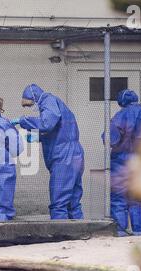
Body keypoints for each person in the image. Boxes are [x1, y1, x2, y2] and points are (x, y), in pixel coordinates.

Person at [12, 84, 84, 220]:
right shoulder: (57, 104)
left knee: (59, 200)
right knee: (73, 201)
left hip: (64, 157)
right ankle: (79, 232)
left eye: (29, 105)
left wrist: (22, 120)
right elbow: (58, 130)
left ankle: (60, 235)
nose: (30, 108)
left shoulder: (48, 100)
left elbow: (47, 123)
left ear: (34, 98)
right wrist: (38, 137)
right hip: (74, 155)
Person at [103, 89, 141, 237]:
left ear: (122, 101)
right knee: (136, 200)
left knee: (119, 199)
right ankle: (139, 233)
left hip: (122, 162)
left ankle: (121, 232)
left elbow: (110, 138)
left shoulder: (123, 114)